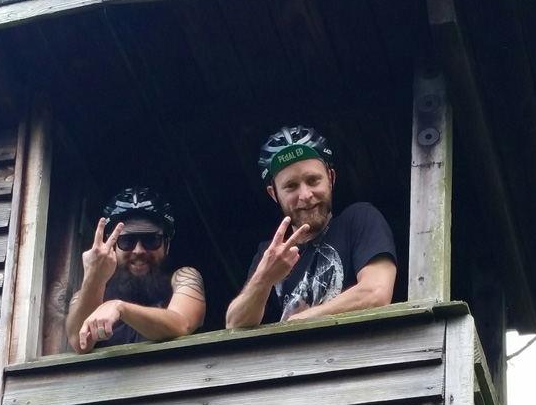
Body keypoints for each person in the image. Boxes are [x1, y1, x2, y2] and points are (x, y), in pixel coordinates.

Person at [226, 125, 397, 328]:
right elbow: (235, 323)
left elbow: (376, 292)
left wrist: (302, 320)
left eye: (313, 180)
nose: (305, 195)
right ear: (274, 194)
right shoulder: (270, 252)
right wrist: (263, 278)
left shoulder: (358, 219)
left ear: (331, 179)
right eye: (291, 186)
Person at [66, 187, 205, 353]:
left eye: (150, 240)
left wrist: (120, 308)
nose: (138, 251)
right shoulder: (88, 296)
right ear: (113, 246)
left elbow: (182, 324)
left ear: (166, 245)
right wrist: (94, 278)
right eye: (127, 241)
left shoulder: (183, 277)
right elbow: (79, 342)